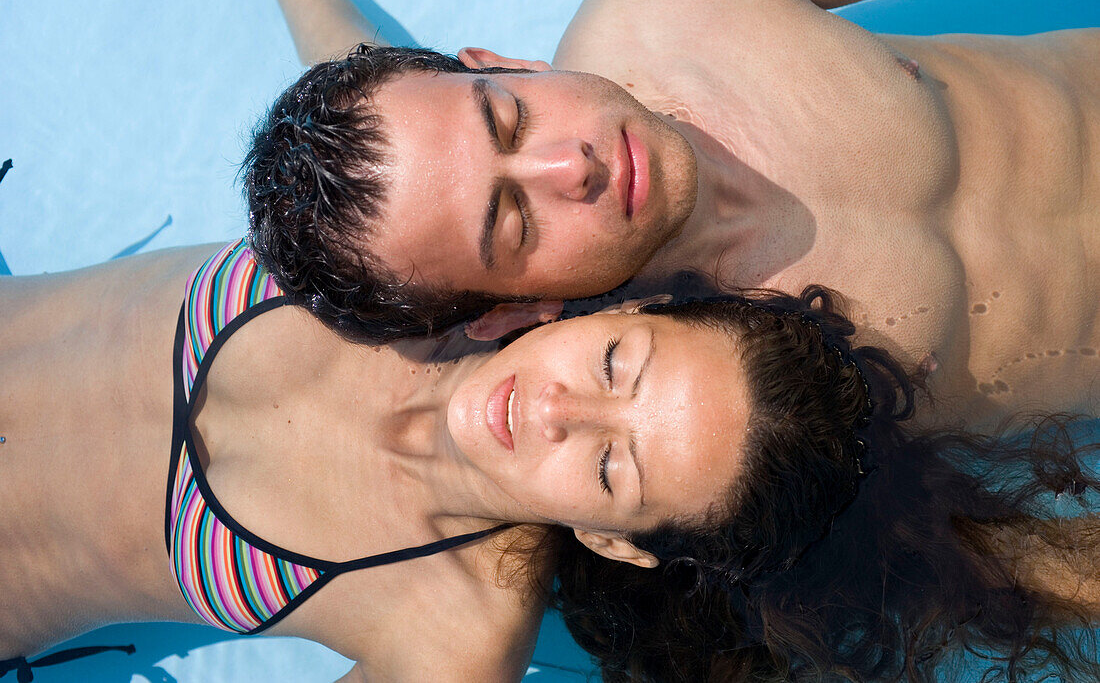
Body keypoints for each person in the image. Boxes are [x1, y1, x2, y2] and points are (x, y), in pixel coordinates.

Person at [2, 241, 1100, 682]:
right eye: (617, 360)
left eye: (613, 468)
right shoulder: (433, 258)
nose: (560, 411)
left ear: (611, 538)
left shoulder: (449, 632)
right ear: (623, 304)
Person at [246, 0, 1099, 437]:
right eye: (514, 224)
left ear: (501, 63)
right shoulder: (687, 409)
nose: (569, 168)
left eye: (509, 118)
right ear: (514, 315)